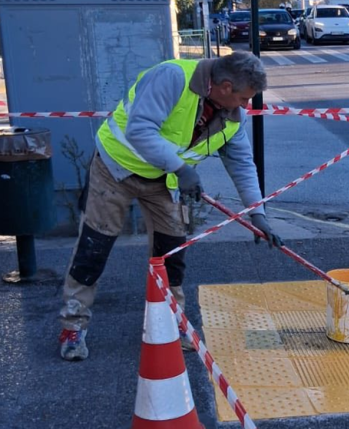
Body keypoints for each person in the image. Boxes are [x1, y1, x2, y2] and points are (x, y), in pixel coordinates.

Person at [58, 52, 283, 362]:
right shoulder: (172, 77)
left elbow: (243, 163)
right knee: (93, 249)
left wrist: (258, 214)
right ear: (226, 86)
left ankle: (170, 324)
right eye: (244, 98)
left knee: (171, 253)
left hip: (162, 180)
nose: (246, 106)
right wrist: (181, 169)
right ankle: (73, 325)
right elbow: (140, 130)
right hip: (116, 169)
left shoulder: (233, 116)